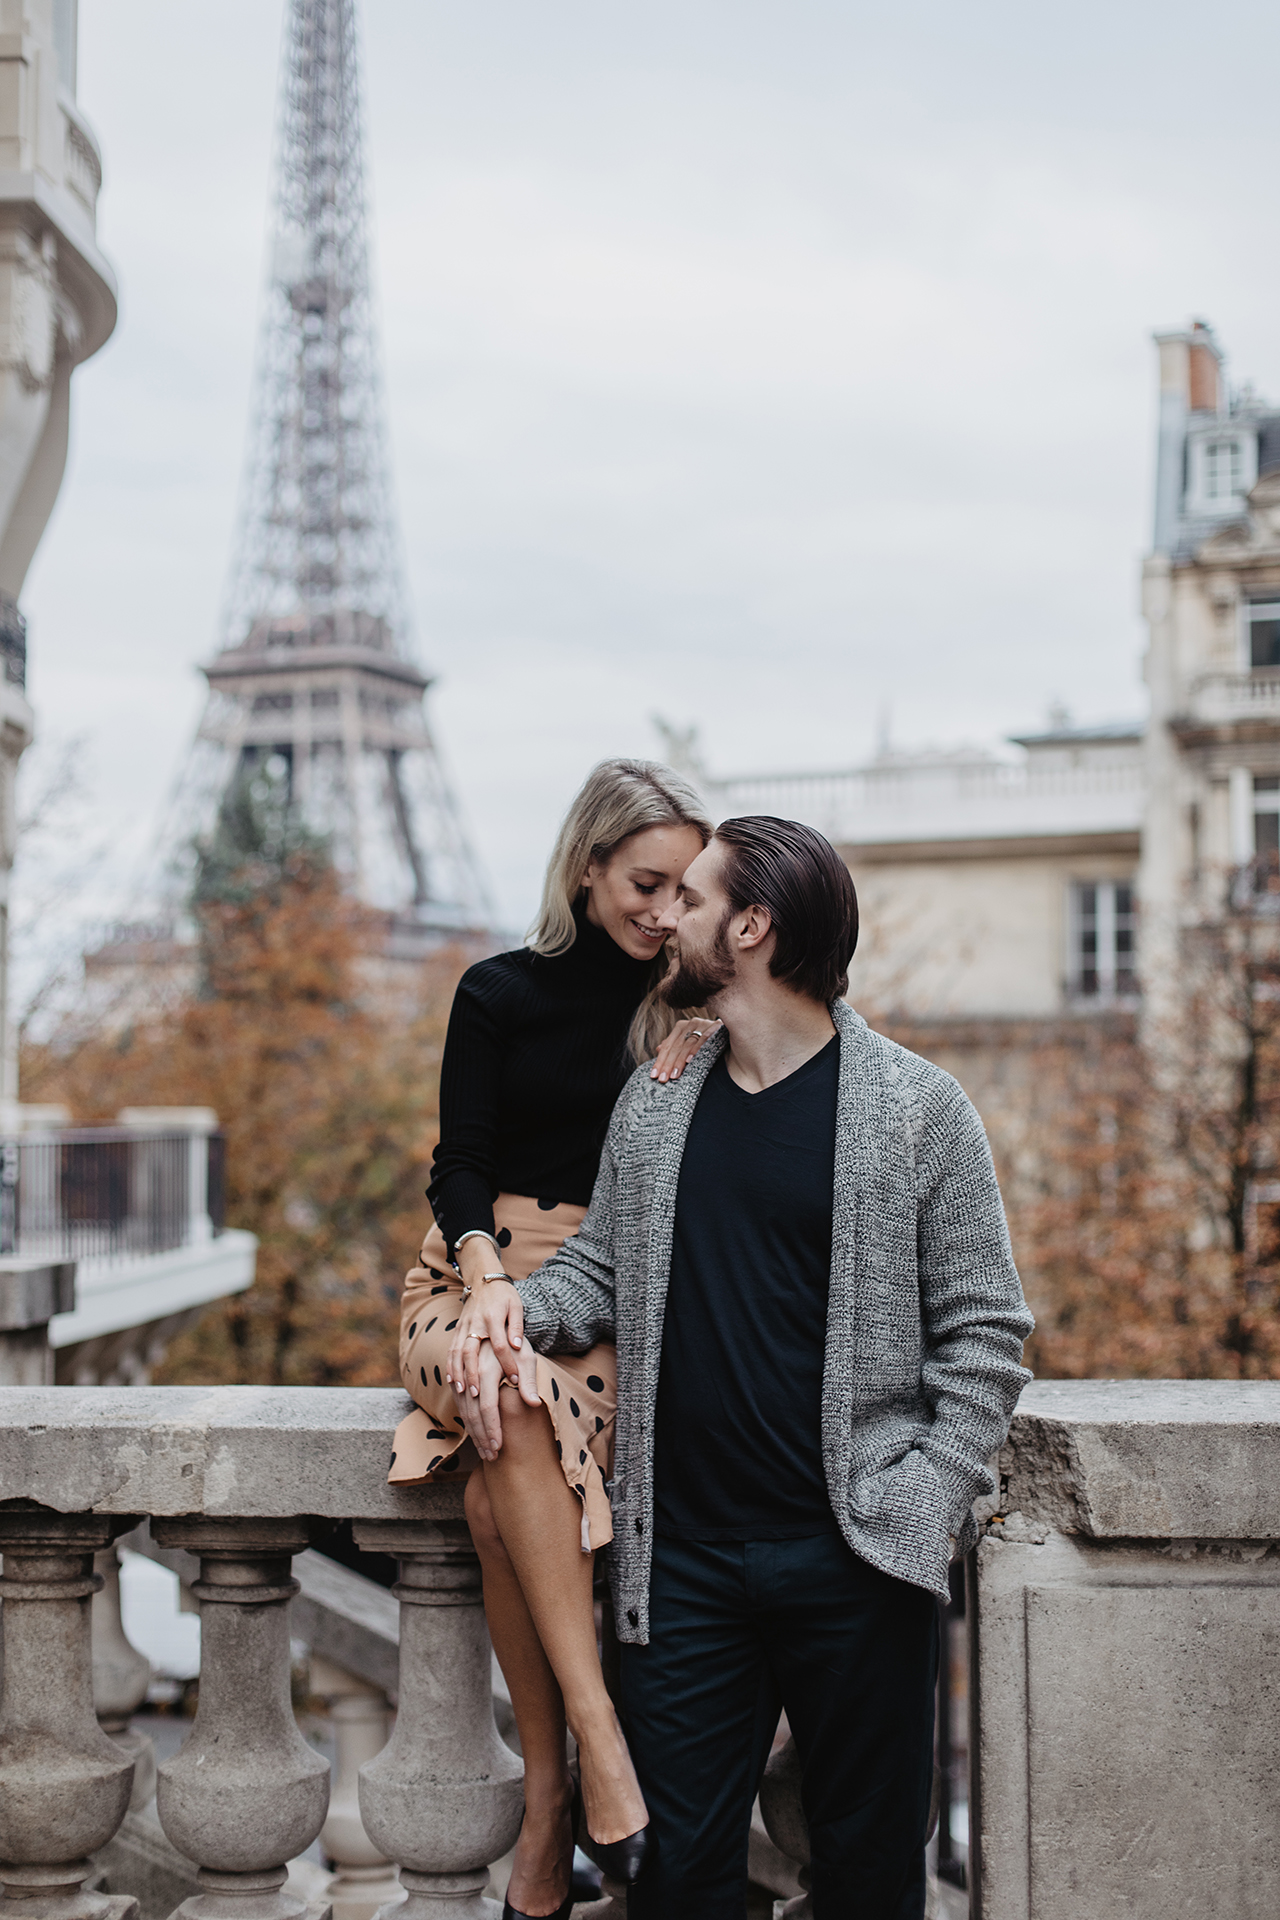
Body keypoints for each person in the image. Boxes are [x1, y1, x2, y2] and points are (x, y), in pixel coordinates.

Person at [452, 814, 1035, 1920]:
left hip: (857, 1564)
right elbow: (600, 1273)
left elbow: (985, 1334)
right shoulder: (658, 1100)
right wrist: (511, 1316)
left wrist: (914, 1507)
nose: (668, 919)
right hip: (680, 1577)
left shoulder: (919, 1111)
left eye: (696, 900)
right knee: (673, 1885)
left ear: (753, 926)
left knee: (866, 1885)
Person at [389, 757, 717, 1920]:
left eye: (686, 893)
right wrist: (483, 1283)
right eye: (642, 882)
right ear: (585, 868)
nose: (663, 911)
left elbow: (826, 1028)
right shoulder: (495, 991)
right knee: (505, 1386)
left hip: (602, 1293)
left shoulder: (689, 1014)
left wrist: (700, 1045)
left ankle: (543, 1812)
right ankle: (595, 1745)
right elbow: (458, 1163)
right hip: (469, 1280)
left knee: (493, 1495)